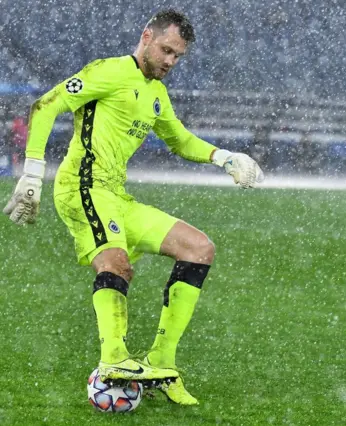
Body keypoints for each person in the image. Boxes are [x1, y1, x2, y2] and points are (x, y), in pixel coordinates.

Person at [3, 9, 263, 405]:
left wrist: (223, 157)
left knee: (199, 248)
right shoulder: (107, 71)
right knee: (117, 263)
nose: (170, 62)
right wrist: (34, 173)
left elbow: (178, 139)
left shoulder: (156, 93)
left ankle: (161, 363)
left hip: (116, 196)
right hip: (81, 188)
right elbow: (45, 105)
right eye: (166, 50)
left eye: (178, 56)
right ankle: (113, 360)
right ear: (146, 36)